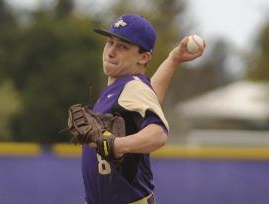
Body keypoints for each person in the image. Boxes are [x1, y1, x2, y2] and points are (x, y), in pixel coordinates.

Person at [82, 14, 205, 204]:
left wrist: (116, 145)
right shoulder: (126, 87)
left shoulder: (132, 87)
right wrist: (173, 60)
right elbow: (150, 97)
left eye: (123, 46)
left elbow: (158, 134)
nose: (111, 51)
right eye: (109, 42)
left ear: (144, 57)